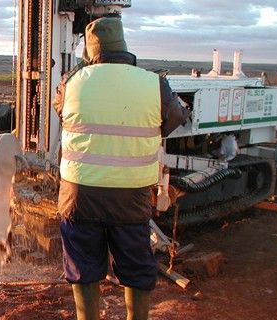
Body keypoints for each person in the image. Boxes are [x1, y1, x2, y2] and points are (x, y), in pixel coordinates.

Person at [53, 17, 189, 320]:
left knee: (83, 270)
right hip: (130, 199)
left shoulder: (70, 82)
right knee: (136, 269)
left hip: (79, 196)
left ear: (89, 51)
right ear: (124, 46)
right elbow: (174, 119)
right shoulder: (154, 84)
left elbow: (61, 110)